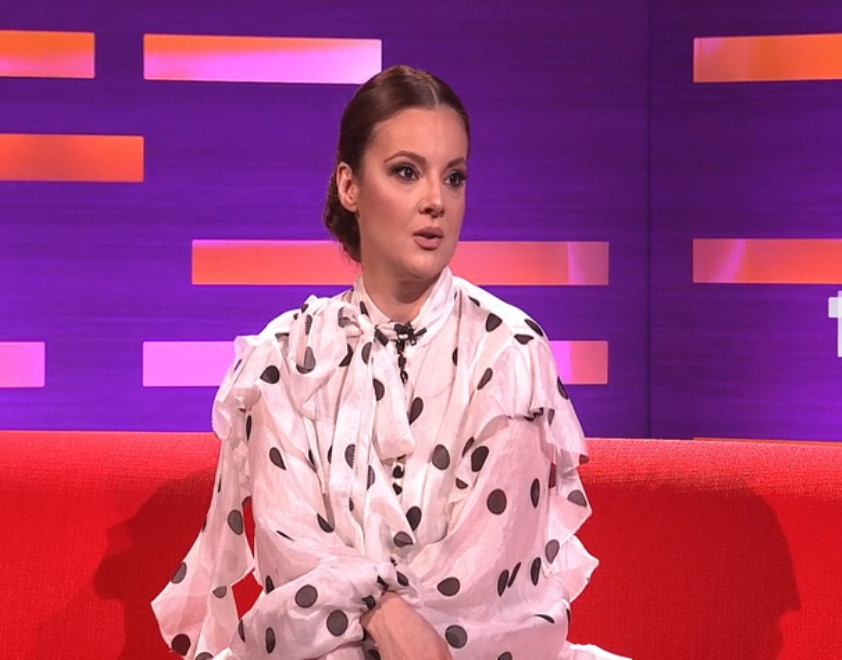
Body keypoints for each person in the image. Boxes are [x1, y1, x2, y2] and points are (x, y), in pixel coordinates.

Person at [152, 64, 626, 660]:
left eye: (454, 178)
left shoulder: (511, 352)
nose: (435, 202)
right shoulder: (286, 357)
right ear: (349, 186)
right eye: (406, 172)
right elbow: (293, 553)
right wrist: (382, 612)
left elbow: (489, 578)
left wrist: (390, 622)